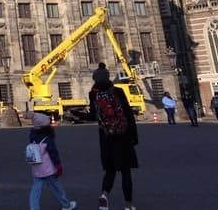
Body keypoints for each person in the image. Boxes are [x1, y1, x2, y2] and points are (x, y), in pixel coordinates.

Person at [89, 64, 138, 210]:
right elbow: (128, 114)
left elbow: (93, 115)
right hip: (122, 135)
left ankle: (104, 195)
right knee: (125, 171)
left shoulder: (93, 94)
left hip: (106, 137)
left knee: (110, 170)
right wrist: (134, 136)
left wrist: (76, 114)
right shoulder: (118, 91)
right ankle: (129, 205)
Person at [24, 111, 78, 210]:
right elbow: (53, 154)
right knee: (57, 188)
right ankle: (66, 204)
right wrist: (58, 165)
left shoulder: (33, 137)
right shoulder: (47, 139)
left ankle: (34, 207)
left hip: (37, 167)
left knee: (36, 189)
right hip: (49, 168)